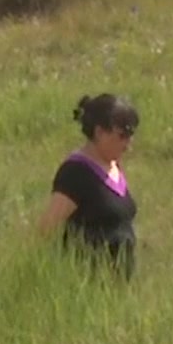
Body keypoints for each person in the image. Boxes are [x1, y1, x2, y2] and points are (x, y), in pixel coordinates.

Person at [37, 93, 139, 280]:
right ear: (100, 132)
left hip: (118, 286)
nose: (128, 144)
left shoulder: (114, 166)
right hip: (88, 281)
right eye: (122, 135)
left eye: (131, 135)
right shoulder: (76, 173)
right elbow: (46, 229)